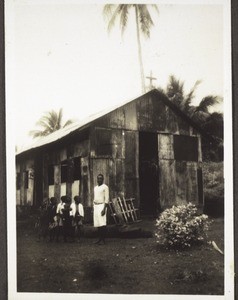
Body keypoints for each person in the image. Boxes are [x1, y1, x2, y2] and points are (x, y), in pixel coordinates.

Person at [93, 174, 109, 245]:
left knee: (102, 223)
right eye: (98, 178)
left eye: (100, 179)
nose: (99, 180)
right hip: (96, 206)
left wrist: (104, 209)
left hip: (102, 206)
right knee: (98, 223)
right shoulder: (95, 188)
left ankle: (103, 239)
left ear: (103, 179)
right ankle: (99, 238)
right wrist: (93, 207)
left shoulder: (105, 187)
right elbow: (95, 198)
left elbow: (107, 199)